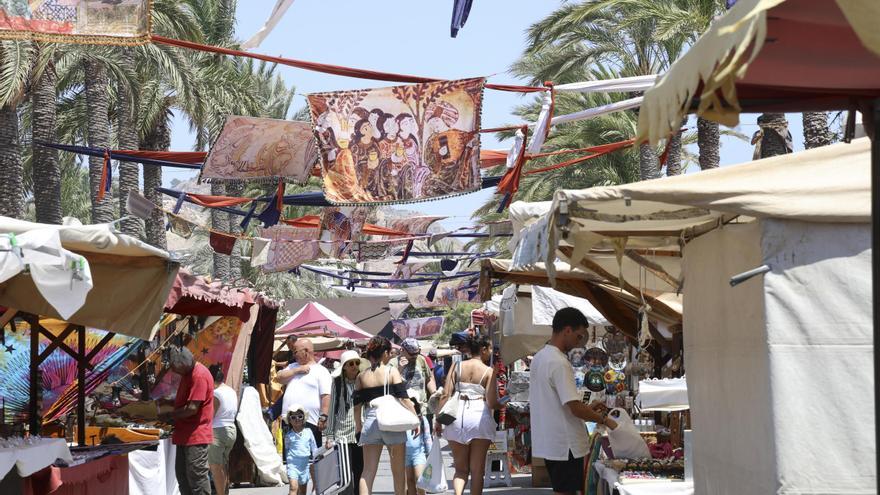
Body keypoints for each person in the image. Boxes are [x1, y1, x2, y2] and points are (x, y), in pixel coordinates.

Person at [530, 308, 618, 495]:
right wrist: (604, 420)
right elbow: (574, 408)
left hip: (552, 441)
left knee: (563, 490)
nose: (579, 343)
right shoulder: (558, 362)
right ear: (567, 330)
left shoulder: (540, 357)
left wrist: (588, 409)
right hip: (565, 443)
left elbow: (561, 403)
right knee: (566, 491)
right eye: (579, 336)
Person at [436, 335, 500, 495]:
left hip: (456, 415)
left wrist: (438, 419)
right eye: (490, 348)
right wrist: (502, 403)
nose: (491, 352)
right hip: (479, 417)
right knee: (477, 471)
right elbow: (491, 402)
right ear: (483, 349)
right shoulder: (489, 371)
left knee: (460, 470)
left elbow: (445, 394)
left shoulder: (457, 366)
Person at [354, 336, 418, 495]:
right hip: (391, 421)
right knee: (398, 472)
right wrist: (415, 419)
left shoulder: (361, 376)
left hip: (370, 420)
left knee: (367, 472)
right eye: (389, 352)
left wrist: (359, 427)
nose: (391, 355)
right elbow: (404, 398)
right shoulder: (391, 370)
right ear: (384, 353)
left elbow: (356, 406)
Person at [161, 347, 214, 495]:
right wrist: (170, 403)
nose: (173, 371)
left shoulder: (199, 375)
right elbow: (186, 402)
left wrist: (170, 415)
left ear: (182, 364)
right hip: (185, 434)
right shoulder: (188, 374)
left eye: (174, 367)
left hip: (195, 436)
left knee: (196, 479)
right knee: (183, 477)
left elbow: (192, 408)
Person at [326, 350, 368, 495]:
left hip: (361, 433)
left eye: (357, 363)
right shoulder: (337, 383)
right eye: (350, 363)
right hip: (342, 434)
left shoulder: (364, 380)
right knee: (344, 475)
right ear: (344, 366)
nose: (354, 366)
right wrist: (329, 436)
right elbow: (332, 409)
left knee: (360, 471)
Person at [277, 339, 332, 446]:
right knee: (290, 457)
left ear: (306, 351)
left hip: (310, 421)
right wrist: (296, 370)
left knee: (310, 457)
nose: (294, 355)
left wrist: (324, 416)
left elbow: (326, 396)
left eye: (295, 352)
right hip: (288, 421)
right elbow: (279, 378)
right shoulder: (292, 367)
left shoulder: (321, 371)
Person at [391, 338, 437, 428]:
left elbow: (429, 378)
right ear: (402, 350)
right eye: (412, 354)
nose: (415, 356)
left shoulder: (420, 359)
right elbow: (390, 385)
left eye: (417, 353)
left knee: (427, 439)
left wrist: (434, 393)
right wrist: (400, 369)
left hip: (423, 409)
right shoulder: (393, 363)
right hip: (404, 411)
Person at [208, 365, 238, 495]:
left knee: (215, 467)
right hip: (231, 429)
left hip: (218, 431)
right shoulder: (230, 390)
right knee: (223, 465)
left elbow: (210, 415)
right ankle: (225, 493)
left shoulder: (216, 393)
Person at [284, 404, 317, 495]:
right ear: (289, 420)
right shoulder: (288, 435)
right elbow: (286, 450)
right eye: (293, 417)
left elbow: (314, 447)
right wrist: (288, 464)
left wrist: (317, 456)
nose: (297, 419)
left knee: (302, 492)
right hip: (293, 465)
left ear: (303, 418)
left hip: (305, 465)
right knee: (293, 488)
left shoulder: (308, 432)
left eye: (299, 416)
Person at [404, 392, 433, 495]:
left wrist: (430, 453)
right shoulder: (400, 420)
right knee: (409, 481)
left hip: (419, 453)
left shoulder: (422, 419)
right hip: (403, 455)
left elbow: (427, 437)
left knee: (420, 479)